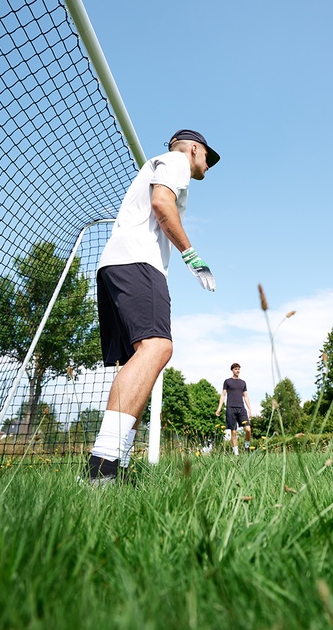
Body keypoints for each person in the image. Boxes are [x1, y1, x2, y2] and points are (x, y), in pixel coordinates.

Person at [86, 129, 220, 484]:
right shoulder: (177, 161)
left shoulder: (161, 164)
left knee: (139, 362)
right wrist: (192, 257)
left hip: (117, 264)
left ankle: (116, 466)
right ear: (194, 149)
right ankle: (102, 467)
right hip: (137, 262)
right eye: (207, 156)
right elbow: (163, 203)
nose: (207, 164)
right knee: (158, 347)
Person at [215, 362, 253, 455]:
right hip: (230, 408)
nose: (237, 370)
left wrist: (249, 409)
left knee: (248, 429)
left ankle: (246, 446)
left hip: (241, 408)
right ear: (232, 370)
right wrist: (219, 408)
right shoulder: (227, 381)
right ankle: (236, 454)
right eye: (235, 369)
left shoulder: (243, 383)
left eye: (238, 369)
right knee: (234, 432)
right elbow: (223, 395)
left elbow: (246, 396)